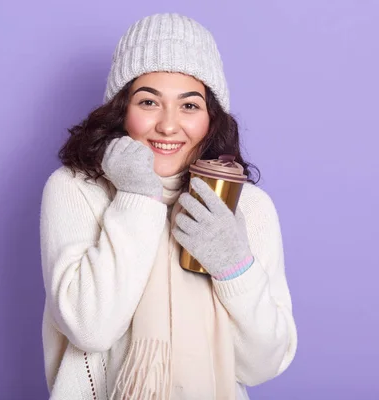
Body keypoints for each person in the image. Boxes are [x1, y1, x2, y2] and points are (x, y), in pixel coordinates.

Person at [40, 13, 297, 400]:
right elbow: (90, 328)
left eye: (189, 106)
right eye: (148, 101)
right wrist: (137, 197)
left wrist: (233, 267)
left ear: (211, 119)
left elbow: (263, 365)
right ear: (122, 109)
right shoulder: (76, 190)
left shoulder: (249, 208)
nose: (168, 125)